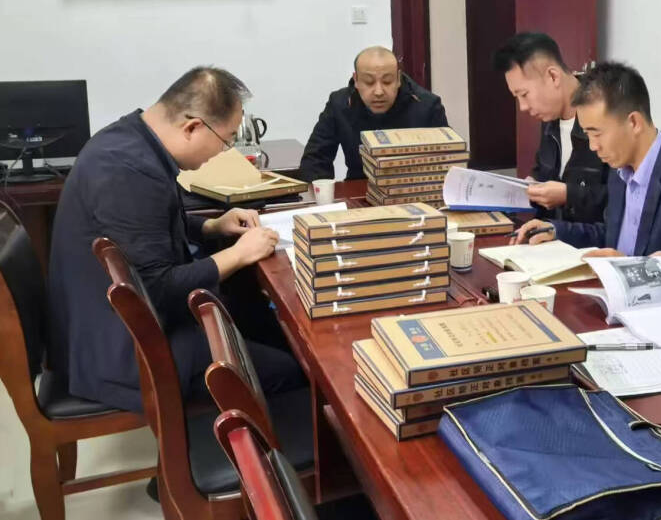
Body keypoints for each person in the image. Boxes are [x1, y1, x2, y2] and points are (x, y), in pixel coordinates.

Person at [48, 67, 303, 413]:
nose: (224, 151)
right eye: (226, 140)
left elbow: (151, 227)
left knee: (259, 318)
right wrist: (239, 255)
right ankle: (267, 444)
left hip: (115, 329)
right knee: (292, 369)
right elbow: (156, 289)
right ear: (193, 127)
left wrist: (212, 226)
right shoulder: (128, 172)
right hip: (128, 351)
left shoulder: (129, 140)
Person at [513, 62, 661, 257]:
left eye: (597, 134)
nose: (593, 146)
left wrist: (632, 268)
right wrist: (556, 231)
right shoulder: (620, 171)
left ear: (634, 122)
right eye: (587, 135)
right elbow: (612, 236)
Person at [492, 32, 608, 223]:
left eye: (524, 94)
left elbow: (624, 199)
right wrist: (532, 185)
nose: (523, 107)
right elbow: (543, 171)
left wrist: (569, 195)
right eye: (517, 98)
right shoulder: (550, 118)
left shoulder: (605, 116)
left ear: (553, 76)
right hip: (549, 234)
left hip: (588, 239)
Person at [299, 46, 449, 181]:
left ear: (398, 79)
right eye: (369, 82)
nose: (378, 92)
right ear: (356, 80)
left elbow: (447, 161)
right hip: (359, 188)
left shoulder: (427, 106)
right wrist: (324, 195)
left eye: (387, 81)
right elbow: (315, 159)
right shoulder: (340, 103)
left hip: (412, 191)